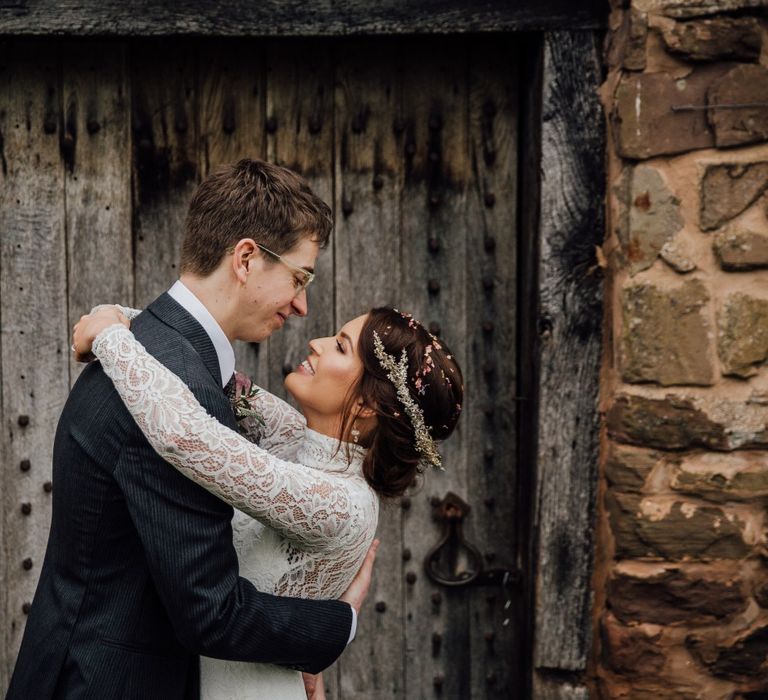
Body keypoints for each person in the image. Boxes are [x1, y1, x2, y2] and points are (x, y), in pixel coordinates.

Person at [6, 160, 376, 700]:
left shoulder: (147, 346)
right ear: (247, 258)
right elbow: (209, 610)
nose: (301, 306)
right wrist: (336, 624)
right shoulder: (179, 385)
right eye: (299, 278)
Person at [70, 302, 463, 700]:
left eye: (341, 347)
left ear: (367, 404)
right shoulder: (294, 435)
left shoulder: (340, 504)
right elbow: (207, 367)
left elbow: (186, 437)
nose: (316, 343)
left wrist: (110, 337)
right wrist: (117, 314)